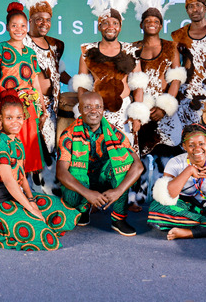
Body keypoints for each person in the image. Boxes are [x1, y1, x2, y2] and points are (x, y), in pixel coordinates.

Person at [0, 90, 79, 250]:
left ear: (24, 117)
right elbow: (9, 182)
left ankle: (29, 214)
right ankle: (1, 224)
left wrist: (31, 200)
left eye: (19, 117)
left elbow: (21, 177)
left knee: (59, 208)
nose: (15, 122)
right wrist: (31, 209)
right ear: (1, 118)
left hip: (16, 199)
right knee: (39, 230)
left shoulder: (17, 142)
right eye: (9, 118)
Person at [11, 0, 70, 195]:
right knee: (28, 150)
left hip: (51, 109)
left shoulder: (55, 45)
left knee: (49, 151)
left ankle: (47, 196)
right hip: (28, 107)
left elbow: (57, 72)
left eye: (47, 20)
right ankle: (24, 195)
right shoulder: (21, 42)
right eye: (38, 19)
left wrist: (80, 84)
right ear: (30, 20)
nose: (44, 24)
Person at [56, 92, 144, 236]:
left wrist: (118, 190)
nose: (94, 111)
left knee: (123, 165)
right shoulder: (68, 135)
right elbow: (61, 172)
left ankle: (118, 219)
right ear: (80, 109)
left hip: (104, 181)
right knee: (72, 175)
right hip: (82, 185)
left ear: (103, 109)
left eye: (98, 107)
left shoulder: (115, 134)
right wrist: (88, 194)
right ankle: (82, 210)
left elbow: (138, 165)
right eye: (87, 107)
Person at [129, 0, 186, 208]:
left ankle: (165, 200)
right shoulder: (133, 48)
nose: (151, 23)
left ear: (161, 25)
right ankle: (136, 198)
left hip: (164, 112)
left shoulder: (171, 47)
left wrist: (164, 106)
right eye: (147, 20)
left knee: (166, 159)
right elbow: (130, 80)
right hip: (141, 110)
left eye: (156, 21)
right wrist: (138, 110)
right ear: (141, 24)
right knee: (138, 157)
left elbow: (176, 78)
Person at [73, 0, 148, 146]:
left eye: (115, 23)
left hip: (124, 111)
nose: (110, 27)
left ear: (120, 26)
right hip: (95, 111)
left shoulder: (131, 50)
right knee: (98, 152)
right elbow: (82, 86)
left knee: (125, 154)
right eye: (105, 23)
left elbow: (138, 86)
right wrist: (84, 112)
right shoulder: (87, 51)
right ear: (99, 26)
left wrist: (136, 115)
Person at [0, 2, 48, 175]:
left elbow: (35, 84)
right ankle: (4, 188)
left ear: (28, 27)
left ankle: (23, 187)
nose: (19, 29)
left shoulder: (31, 53)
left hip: (28, 110)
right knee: (4, 153)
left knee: (25, 155)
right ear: (7, 27)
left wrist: (43, 110)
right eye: (14, 26)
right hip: (6, 110)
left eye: (22, 26)